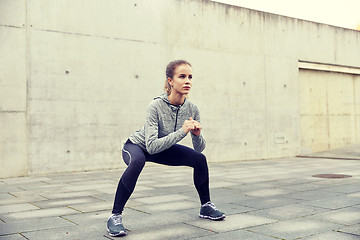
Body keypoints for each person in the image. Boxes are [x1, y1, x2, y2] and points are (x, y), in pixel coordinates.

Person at [107, 60, 225, 237]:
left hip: (163, 146)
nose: (187, 81)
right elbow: (152, 146)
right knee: (138, 162)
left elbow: (199, 149)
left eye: (190, 77)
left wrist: (197, 135)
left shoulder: (192, 108)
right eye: (182, 76)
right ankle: (115, 216)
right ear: (170, 80)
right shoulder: (155, 106)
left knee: (199, 160)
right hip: (138, 146)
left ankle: (206, 206)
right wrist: (182, 131)